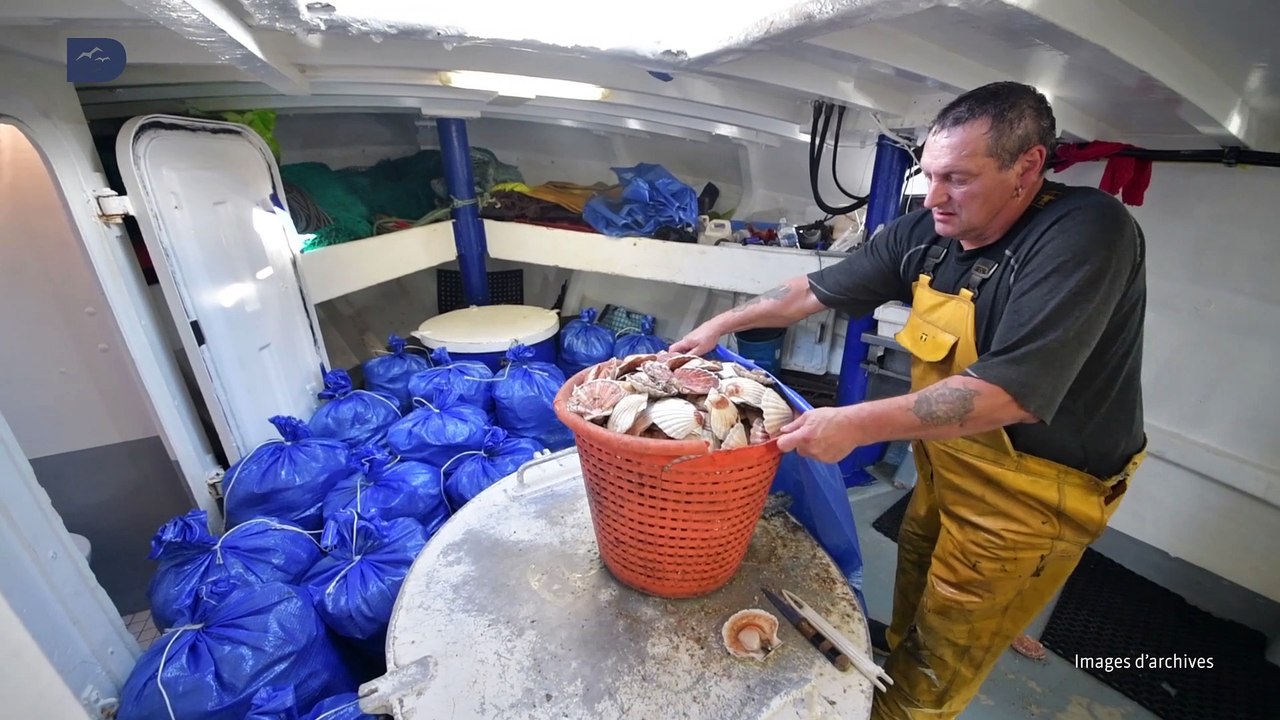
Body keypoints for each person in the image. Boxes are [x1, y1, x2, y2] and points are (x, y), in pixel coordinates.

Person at [671, 81, 1148, 719]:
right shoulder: (929, 230)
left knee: (940, 659)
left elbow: (1010, 393)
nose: (935, 196)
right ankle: (893, 666)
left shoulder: (1087, 233)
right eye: (929, 175)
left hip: (1031, 498)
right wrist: (719, 325)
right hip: (946, 463)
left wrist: (854, 424)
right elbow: (809, 292)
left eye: (958, 178)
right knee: (916, 586)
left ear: (1027, 166)